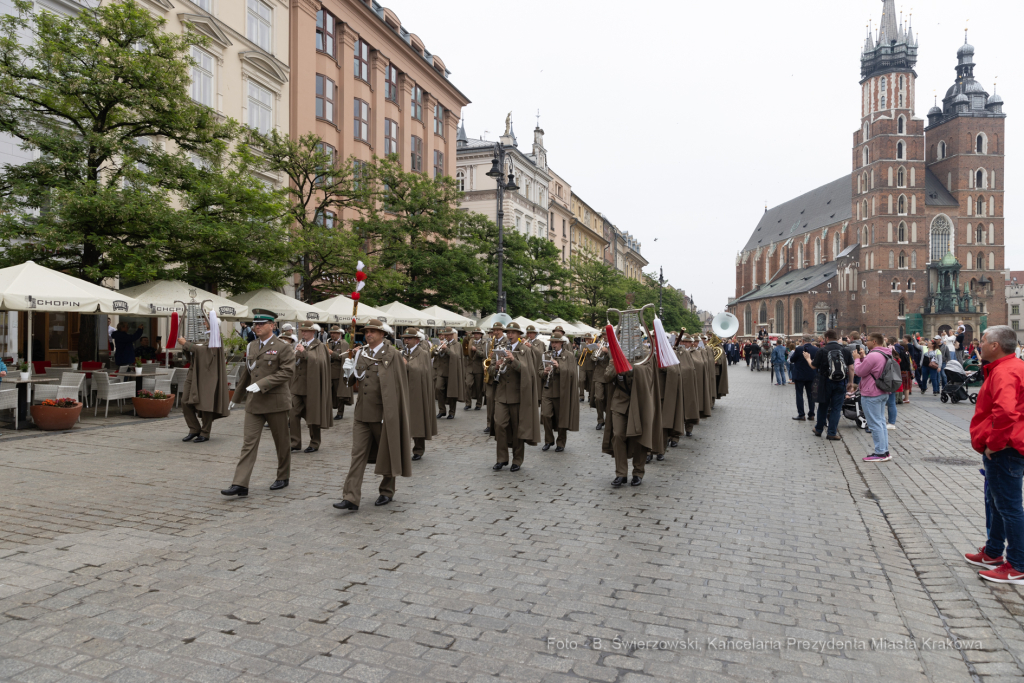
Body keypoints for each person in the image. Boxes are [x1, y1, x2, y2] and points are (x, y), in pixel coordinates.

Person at [962, 325, 1024, 584]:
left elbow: (1007, 412)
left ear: (996, 346)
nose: (980, 344)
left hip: (1005, 448)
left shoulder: (1004, 372)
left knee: (1008, 507)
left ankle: (1018, 565)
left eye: (984, 340)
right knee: (996, 501)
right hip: (1010, 444)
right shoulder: (1013, 367)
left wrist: (995, 443)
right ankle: (993, 551)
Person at [333, 319, 412, 511]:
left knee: (387, 451)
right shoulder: (362, 352)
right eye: (367, 331)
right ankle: (351, 497)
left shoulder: (392, 354)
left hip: (383, 412)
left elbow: (399, 385)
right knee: (357, 454)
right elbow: (352, 381)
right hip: (362, 413)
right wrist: (348, 370)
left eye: (373, 332)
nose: (369, 335)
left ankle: (387, 490)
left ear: (383, 334)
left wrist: (392, 412)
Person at [221, 310, 295, 497]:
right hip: (254, 403)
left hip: (275, 401)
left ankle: (283, 475)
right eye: (256, 324)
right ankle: (240, 483)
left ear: (272, 326)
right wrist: (236, 398)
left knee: (282, 442)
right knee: (249, 443)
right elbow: (247, 372)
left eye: (262, 323)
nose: (257, 326)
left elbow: (287, 372)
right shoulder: (251, 346)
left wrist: (261, 385)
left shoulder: (283, 347)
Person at [602, 332, 663, 487]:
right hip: (620, 399)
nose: (628, 339)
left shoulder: (646, 353)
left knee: (639, 437)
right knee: (618, 435)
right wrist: (617, 362)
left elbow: (649, 375)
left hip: (640, 400)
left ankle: (638, 472)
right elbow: (607, 377)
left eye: (632, 335)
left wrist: (632, 368)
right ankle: (621, 473)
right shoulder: (617, 352)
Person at [491, 322, 540, 472]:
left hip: (518, 395)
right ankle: (501, 459)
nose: (510, 335)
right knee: (499, 425)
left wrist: (513, 361)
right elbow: (490, 369)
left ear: (519, 335)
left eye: (513, 332)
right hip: (501, 395)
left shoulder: (524, 350)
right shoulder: (500, 348)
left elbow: (528, 372)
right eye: (508, 332)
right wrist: (496, 366)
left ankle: (517, 460)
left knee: (518, 428)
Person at [178, 321, 229, 444]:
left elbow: (207, 352)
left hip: (208, 374)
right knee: (185, 401)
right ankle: (194, 429)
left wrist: (187, 344)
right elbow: (198, 350)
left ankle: (205, 432)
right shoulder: (204, 334)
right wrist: (188, 346)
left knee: (206, 403)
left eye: (206, 319)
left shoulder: (216, 336)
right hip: (194, 371)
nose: (203, 321)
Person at [289, 322, 333, 454]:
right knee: (292, 413)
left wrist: (304, 352)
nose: (303, 333)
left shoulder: (319, 346)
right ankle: (294, 442)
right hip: (297, 386)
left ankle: (315, 442)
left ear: (313, 332)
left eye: (306, 331)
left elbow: (319, 362)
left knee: (313, 415)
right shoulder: (300, 344)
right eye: (302, 331)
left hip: (312, 386)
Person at [804, 329, 853, 441]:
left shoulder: (822, 350)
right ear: (836, 338)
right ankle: (831, 432)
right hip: (841, 382)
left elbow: (813, 366)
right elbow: (851, 368)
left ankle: (819, 429)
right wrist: (850, 382)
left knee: (823, 406)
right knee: (836, 408)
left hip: (825, 382)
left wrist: (807, 358)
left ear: (826, 338)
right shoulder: (845, 350)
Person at [855, 332, 893, 462]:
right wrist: (863, 358)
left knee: (875, 424)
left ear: (875, 342)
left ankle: (880, 453)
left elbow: (859, 372)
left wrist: (856, 359)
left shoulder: (873, 355)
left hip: (871, 392)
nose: (866, 342)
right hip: (882, 391)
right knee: (881, 422)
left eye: (868, 340)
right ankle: (884, 451)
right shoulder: (886, 353)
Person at [540, 331, 579, 452]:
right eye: (552, 342)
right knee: (545, 415)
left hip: (562, 391)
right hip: (548, 390)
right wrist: (544, 373)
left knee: (562, 417)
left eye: (556, 342)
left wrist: (559, 367)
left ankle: (561, 442)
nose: (553, 344)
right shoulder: (546, 354)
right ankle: (548, 440)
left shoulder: (569, 355)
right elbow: (539, 371)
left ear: (561, 343)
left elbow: (572, 372)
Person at [400, 328, 436, 461]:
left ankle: (418, 450)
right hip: (404, 389)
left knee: (418, 420)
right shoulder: (403, 352)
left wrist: (407, 365)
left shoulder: (423, 353)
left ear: (417, 339)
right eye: (405, 338)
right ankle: (402, 448)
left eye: (409, 338)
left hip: (417, 390)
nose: (406, 340)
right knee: (403, 420)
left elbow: (422, 370)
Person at [433, 326, 466, 419]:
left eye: (448, 335)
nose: (446, 337)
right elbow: (434, 354)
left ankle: (452, 412)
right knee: (438, 388)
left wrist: (446, 349)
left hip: (451, 371)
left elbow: (456, 356)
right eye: (445, 335)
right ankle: (442, 410)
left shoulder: (457, 344)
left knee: (452, 392)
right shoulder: (442, 343)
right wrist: (436, 348)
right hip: (441, 371)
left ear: (452, 335)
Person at [326, 325, 353, 420]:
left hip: (338, 373)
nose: (332, 335)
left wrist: (332, 353)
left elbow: (344, 357)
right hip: (328, 372)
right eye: (331, 333)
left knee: (340, 394)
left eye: (334, 333)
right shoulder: (328, 343)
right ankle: (327, 412)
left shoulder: (344, 343)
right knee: (327, 393)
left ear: (339, 334)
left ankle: (340, 412)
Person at [483, 322, 505, 436]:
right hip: (491, 375)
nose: (495, 332)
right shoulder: (489, 342)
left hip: (502, 376)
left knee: (500, 402)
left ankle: (499, 424)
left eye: (498, 330)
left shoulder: (506, 342)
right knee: (490, 399)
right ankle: (489, 424)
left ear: (502, 331)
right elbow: (485, 357)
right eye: (494, 330)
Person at [790, 337, 817, 422]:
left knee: (799, 394)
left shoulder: (799, 349)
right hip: (811, 375)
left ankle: (801, 414)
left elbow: (792, 359)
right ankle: (811, 414)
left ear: (803, 341)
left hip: (800, 375)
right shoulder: (816, 349)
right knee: (811, 395)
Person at [592, 336, 612, 431]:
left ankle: (609, 420)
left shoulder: (614, 345)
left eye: (607, 335)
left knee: (609, 399)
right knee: (598, 398)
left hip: (610, 375)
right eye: (604, 335)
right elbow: (593, 358)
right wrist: (598, 351)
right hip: (599, 375)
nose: (605, 337)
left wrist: (608, 351)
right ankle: (600, 420)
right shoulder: (598, 345)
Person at [465, 327, 486, 411]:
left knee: (478, 387)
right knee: (467, 384)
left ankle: (478, 404)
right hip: (469, 367)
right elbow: (465, 352)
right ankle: (468, 403)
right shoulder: (470, 342)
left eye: (478, 333)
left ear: (481, 335)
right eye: (475, 333)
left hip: (479, 368)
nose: (476, 335)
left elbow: (484, 354)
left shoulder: (484, 343)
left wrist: (476, 350)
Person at [578, 333, 595, 403]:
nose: (587, 340)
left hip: (591, 366)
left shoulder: (594, 346)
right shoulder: (582, 346)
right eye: (586, 339)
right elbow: (578, 355)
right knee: (581, 380)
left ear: (591, 339)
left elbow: (595, 355)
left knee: (591, 382)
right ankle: (581, 396)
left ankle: (590, 396)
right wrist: (583, 352)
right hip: (583, 366)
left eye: (588, 338)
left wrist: (590, 351)